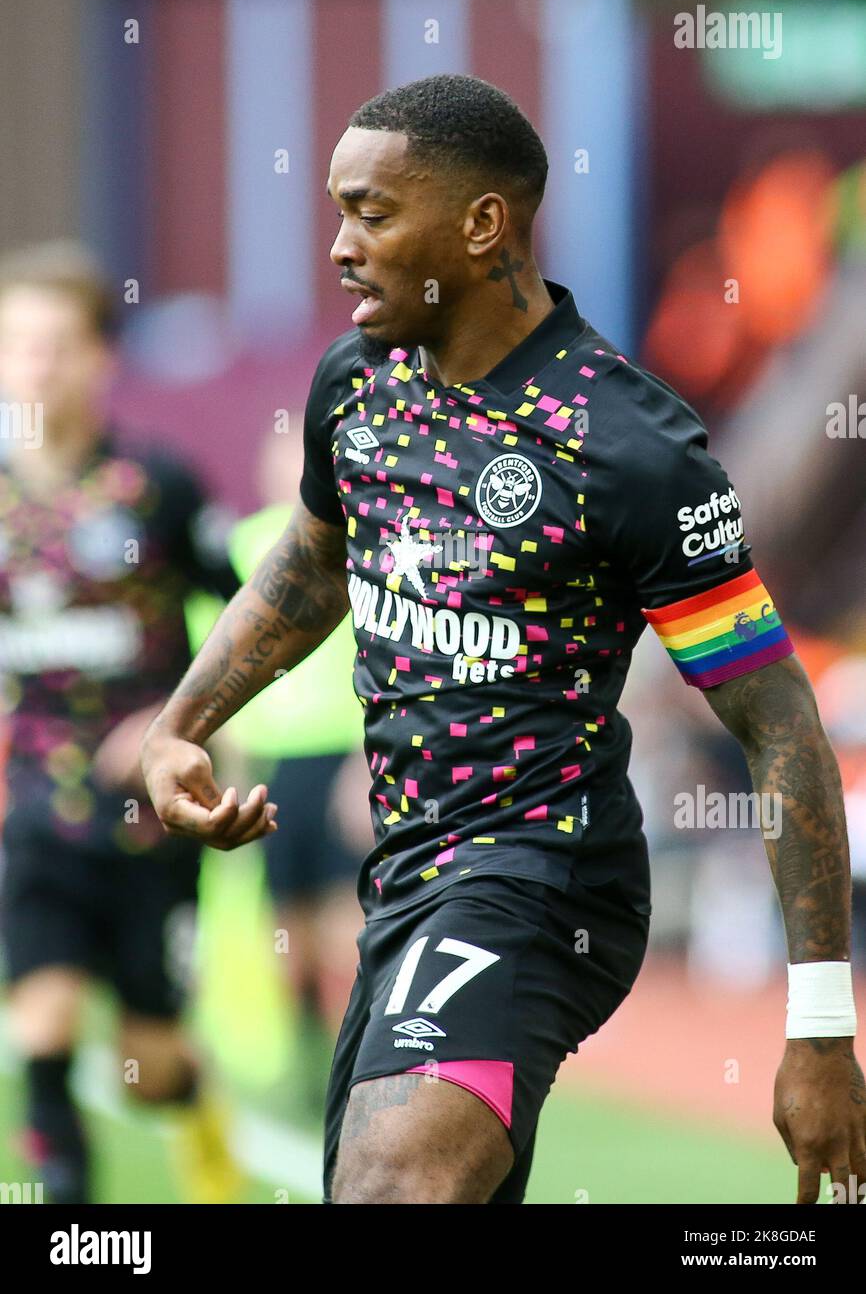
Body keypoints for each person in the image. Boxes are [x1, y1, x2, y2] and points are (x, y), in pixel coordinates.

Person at [141, 75, 865, 1206]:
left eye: (371, 213)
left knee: (391, 1186)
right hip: (405, 875)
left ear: (481, 225)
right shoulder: (359, 383)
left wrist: (820, 1026)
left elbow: (775, 723)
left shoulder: (626, 444)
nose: (338, 246)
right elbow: (316, 559)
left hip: (543, 877)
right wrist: (186, 723)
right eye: (339, 211)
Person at [0, 241, 242, 1203]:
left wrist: (175, 723)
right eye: (16, 345)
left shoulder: (158, 486)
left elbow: (254, 619)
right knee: (44, 1028)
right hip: (29, 813)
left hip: (147, 821)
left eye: (54, 346)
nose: (33, 367)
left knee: (149, 1071)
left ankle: (200, 1107)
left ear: (103, 358)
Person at [185, 423, 368, 1112]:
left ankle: (362, 1060)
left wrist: (366, 756)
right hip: (270, 759)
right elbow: (212, 646)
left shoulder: (352, 545)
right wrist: (219, 752)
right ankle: (310, 1051)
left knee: (343, 922)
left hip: (342, 753)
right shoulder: (240, 546)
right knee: (282, 922)